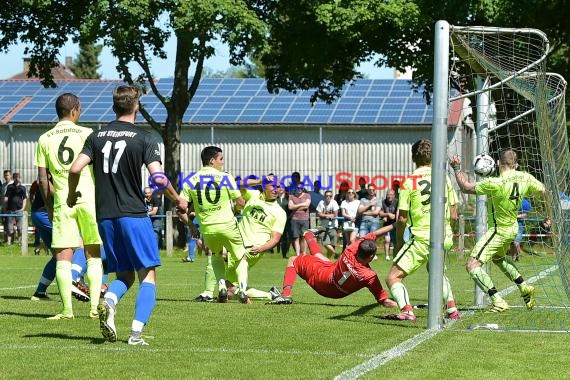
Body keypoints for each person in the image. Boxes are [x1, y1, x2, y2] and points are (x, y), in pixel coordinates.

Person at [68, 85, 187, 345]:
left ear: (114, 107)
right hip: (133, 214)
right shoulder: (144, 138)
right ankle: (135, 334)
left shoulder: (96, 136)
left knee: (124, 275)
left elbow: (76, 168)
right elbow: (157, 176)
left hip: (105, 217)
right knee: (148, 275)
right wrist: (177, 199)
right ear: (137, 107)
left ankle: (108, 303)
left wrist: (70, 195)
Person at [450, 149, 545, 312]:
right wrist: (548, 215)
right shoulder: (525, 177)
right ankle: (524, 287)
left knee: (472, 265)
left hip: (498, 231)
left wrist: (457, 168)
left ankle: (497, 300)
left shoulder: (495, 183)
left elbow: (465, 187)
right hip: (512, 228)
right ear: (516, 164)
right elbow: (543, 190)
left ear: (498, 163)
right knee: (498, 259)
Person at [35, 93, 103, 320]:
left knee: (63, 256)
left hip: (63, 201)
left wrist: (49, 204)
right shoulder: (88, 133)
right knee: (93, 252)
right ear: (76, 109)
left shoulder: (44, 138)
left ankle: (67, 311)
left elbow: (43, 180)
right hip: (88, 200)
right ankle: (94, 308)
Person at [384, 139, 461, 321]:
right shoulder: (443, 177)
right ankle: (452, 309)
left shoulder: (409, 182)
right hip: (444, 236)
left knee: (393, 277)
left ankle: (407, 310)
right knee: (436, 270)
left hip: (422, 238)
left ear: (413, 158)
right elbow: (454, 214)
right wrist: (452, 233)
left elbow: (401, 218)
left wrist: (400, 242)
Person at [269, 225, 397, 308]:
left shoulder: (350, 250)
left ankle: (285, 294)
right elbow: (384, 301)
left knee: (293, 260)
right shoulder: (370, 276)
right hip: (335, 292)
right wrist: (404, 305)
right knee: (322, 260)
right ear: (371, 257)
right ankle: (309, 235)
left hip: (323, 279)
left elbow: (375, 234)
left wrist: (394, 225)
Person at [179, 146, 246, 303]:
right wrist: (237, 210)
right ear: (212, 161)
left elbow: (181, 208)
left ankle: (222, 287)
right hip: (228, 225)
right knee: (241, 257)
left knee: (215, 255)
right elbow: (240, 201)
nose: (222, 162)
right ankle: (242, 289)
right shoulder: (225, 177)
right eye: (220, 159)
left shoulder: (190, 180)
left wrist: (191, 226)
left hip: (208, 228)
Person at [4, 172, 27, 245]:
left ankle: (20, 242)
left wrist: (23, 208)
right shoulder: (10, 186)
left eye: (18, 177)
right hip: (10, 209)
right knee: (9, 228)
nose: (17, 178)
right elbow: (6, 197)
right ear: (13, 178)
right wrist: (5, 204)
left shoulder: (23, 188)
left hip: (19, 210)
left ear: (20, 178)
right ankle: (9, 242)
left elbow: (25, 199)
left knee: (20, 228)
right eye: (15, 177)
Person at [315, 190, 339, 258]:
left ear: (332, 197)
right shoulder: (321, 203)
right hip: (322, 227)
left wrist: (324, 215)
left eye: (330, 196)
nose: (328, 197)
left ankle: (328, 261)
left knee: (332, 244)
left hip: (332, 227)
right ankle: (336, 254)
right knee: (325, 243)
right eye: (327, 196)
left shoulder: (334, 203)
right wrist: (327, 216)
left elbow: (335, 214)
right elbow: (319, 213)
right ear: (324, 196)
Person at [288, 186, 311, 256]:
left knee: (304, 237)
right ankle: (298, 255)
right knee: (296, 237)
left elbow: (307, 205)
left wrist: (295, 207)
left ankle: (304, 254)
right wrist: (302, 205)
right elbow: (290, 207)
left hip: (305, 219)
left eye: (301, 188)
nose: (299, 189)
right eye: (298, 188)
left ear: (303, 188)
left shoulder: (307, 195)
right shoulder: (291, 196)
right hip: (294, 219)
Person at [379, 189, 398, 261]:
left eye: (391, 195)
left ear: (394, 195)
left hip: (395, 224)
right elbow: (380, 213)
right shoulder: (383, 202)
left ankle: (395, 256)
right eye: (388, 195)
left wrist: (395, 216)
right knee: (387, 240)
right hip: (387, 224)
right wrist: (387, 215)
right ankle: (387, 256)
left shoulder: (397, 202)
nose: (389, 196)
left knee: (396, 241)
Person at [275, 185, 291, 258]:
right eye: (279, 187)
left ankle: (284, 254)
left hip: (286, 221)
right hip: (276, 221)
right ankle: (276, 251)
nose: (280, 188)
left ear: (285, 189)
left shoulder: (288, 198)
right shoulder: (274, 199)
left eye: (282, 187)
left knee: (285, 238)